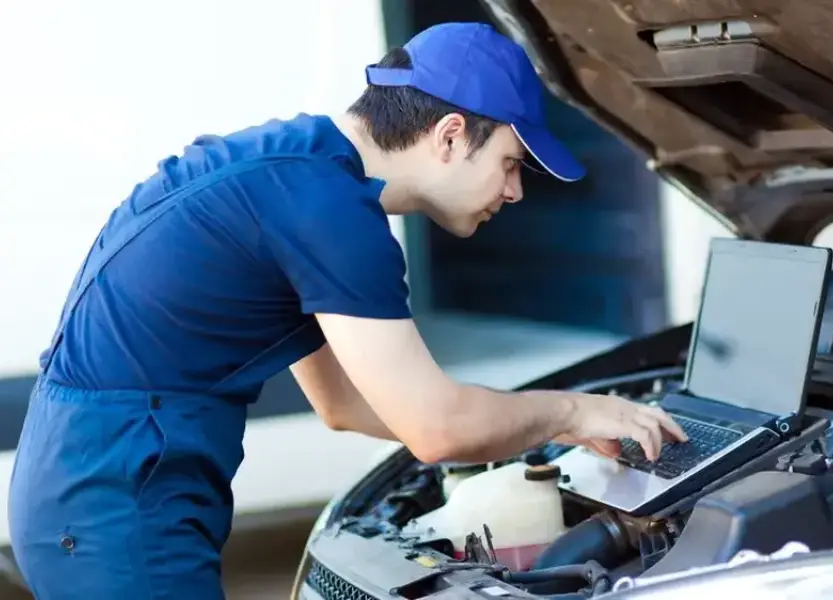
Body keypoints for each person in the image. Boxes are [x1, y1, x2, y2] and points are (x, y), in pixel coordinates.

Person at [8, 21, 687, 599]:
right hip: (119, 501)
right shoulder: (331, 213)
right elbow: (434, 430)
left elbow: (347, 405)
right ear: (450, 135)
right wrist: (571, 410)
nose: (514, 191)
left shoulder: (296, 167)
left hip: (83, 481)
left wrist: (535, 432)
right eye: (511, 163)